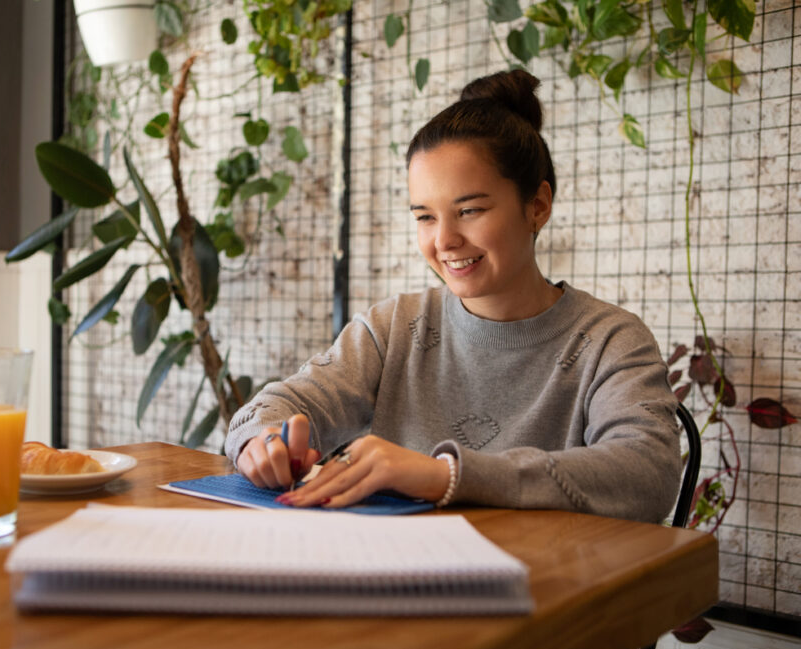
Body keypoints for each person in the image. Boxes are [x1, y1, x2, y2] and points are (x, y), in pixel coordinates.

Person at [224, 69, 681, 523]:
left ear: (537, 206)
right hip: (396, 576)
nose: (444, 241)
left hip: (546, 584)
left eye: (469, 210)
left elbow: (649, 473)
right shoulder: (395, 326)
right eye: (425, 217)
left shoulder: (609, 340)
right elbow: (275, 407)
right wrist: (262, 442)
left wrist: (446, 475)